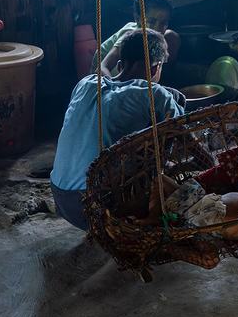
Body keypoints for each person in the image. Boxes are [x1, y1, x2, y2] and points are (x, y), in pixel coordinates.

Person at [51, 28, 186, 231]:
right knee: (172, 111)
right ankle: (148, 212)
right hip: (96, 208)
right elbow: (182, 133)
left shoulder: (85, 84)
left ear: (121, 65)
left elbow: (109, 78)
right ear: (156, 68)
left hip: (62, 199)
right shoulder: (155, 94)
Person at [94, 0, 181, 78]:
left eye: (163, 23)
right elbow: (101, 68)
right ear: (138, 19)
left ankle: (163, 79)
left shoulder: (155, 36)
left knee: (171, 36)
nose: (157, 28)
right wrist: (114, 85)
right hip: (104, 76)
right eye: (151, 21)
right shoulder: (131, 35)